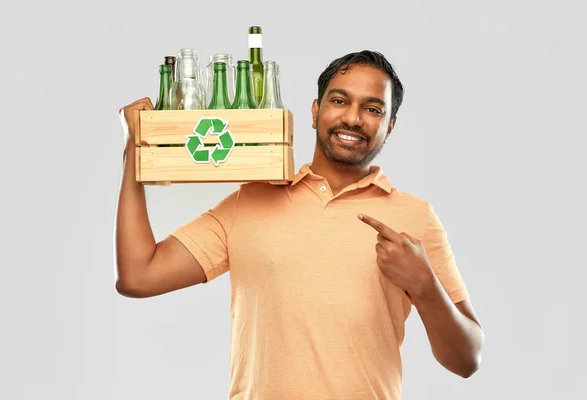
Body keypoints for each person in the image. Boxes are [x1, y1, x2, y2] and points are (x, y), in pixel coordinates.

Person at [115, 50, 484, 399]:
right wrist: (135, 149)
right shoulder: (251, 201)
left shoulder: (415, 217)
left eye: (372, 108)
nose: (353, 118)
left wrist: (425, 285)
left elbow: (467, 360)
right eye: (339, 101)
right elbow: (139, 276)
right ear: (314, 111)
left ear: (391, 125)